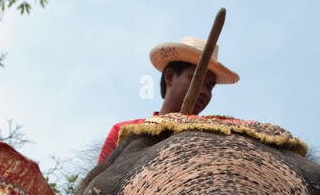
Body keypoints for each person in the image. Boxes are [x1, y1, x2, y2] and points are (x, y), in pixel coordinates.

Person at [98, 36, 240, 163]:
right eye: (197, 79)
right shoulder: (123, 131)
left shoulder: (218, 129)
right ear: (170, 77)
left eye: (210, 86)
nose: (205, 92)